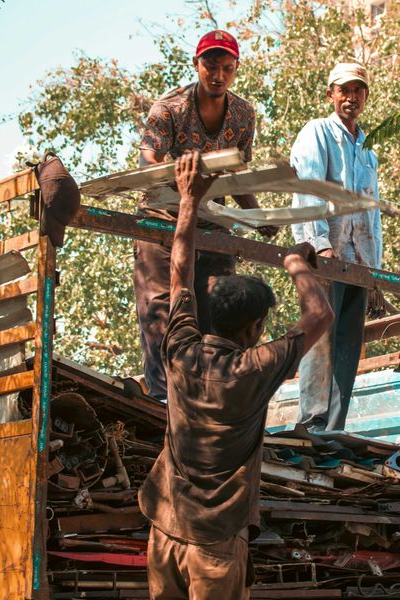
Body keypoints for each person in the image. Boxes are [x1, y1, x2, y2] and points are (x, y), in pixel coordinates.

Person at [138, 151, 334, 600]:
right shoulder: (255, 369)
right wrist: (295, 263)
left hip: (165, 530)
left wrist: (188, 201)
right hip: (216, 543)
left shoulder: (180, 350)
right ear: (254, 329)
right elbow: (320, 313)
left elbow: (180, 274)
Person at [135, 29, 276, 401]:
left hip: (212, 225)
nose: (218, 75)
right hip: (163, 223)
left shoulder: (243, 114)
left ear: (236, 69)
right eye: (210, 66)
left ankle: (212, 397)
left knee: (217, 311)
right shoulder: (168, 108)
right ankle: (165, 400)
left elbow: (236, 173)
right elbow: (147, 161)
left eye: (227, 68)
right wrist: (174, 173)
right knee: (162, 312)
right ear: (196, 65)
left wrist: (257, 217)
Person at [290, 62, 383, 431]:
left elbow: (371, 216)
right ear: (331, 94)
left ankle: (335, 427)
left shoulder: (367, 151)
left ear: (366, 96)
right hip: (325, 256)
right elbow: (308, 189)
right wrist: (319, 245)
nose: (351, 97)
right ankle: (312, 421)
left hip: (357, 263)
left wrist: (373, 273)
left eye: (358, 90)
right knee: (320, 338)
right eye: (343, 90)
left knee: (347, 345)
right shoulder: (317, 132)